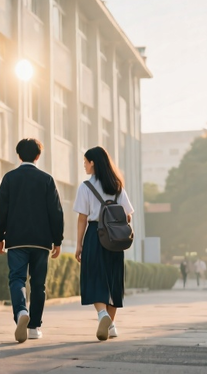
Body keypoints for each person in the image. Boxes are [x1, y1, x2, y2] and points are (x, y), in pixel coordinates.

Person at [0, 138, 64, 343]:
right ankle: (34, 327)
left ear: (18, 155)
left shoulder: (9, 178)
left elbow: (0, 210)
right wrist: (57, 240)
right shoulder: (47, 179)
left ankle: (21, 312)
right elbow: (56, 212)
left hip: (16, 240)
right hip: (41, 241)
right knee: (38, 284)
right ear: (38, 156)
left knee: (17, 279)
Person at [73, 146, 134, 341]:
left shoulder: (86, 187)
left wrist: (79, 244)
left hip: (94, 234)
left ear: (93, 163)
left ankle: (102, 315)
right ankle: (111, 326)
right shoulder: (117, 186)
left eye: (85, 162)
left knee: (94, 276)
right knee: (113, 278)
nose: (84, 165)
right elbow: (128, 216)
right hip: (115, 238)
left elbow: (82, 218)